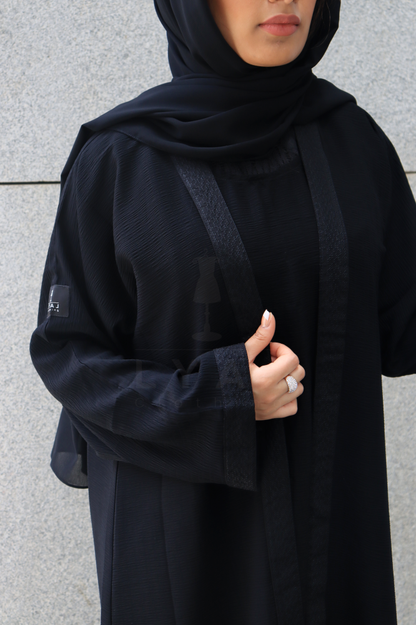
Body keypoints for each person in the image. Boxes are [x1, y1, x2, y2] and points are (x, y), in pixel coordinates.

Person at [30, 0, 416, 624]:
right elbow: (68, 355)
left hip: (332, 539)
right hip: (182, 550)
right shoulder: (121, 160)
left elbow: (401, 326)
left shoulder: (353, 142)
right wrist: (223, 398)